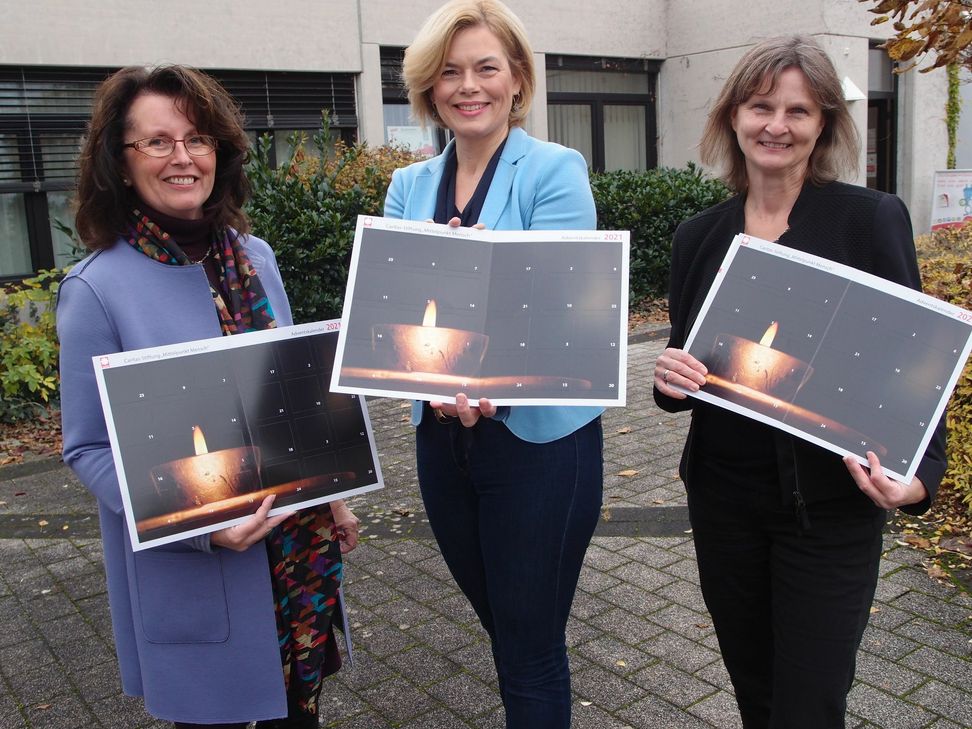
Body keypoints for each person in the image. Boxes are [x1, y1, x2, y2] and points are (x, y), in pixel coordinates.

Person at [652, 36, 947, 729]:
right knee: (755, 691)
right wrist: (669, 380)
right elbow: (683, 363)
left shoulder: (868, 220)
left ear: (823, 126)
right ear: (733, 117)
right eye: (760, 107)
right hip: (725, 507)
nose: (775, 126)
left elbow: (919, 362)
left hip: (830, 511)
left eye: (798, 111)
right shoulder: (699, 236)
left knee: (810, 705)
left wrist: (920, 475)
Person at [57, 65, 360, 729]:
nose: (183, 157)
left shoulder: (257, 257)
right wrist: (201, 525)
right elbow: (85, 447)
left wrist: (330, 489)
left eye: (198, 139)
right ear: (119, 159)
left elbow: (290, 397)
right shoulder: (96, 289)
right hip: (199, 568)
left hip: (296, 558)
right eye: (158, 141)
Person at [383, 2, 603, 726]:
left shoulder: (553, 171)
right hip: (442, 442)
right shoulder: (407, 188)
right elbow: (396, 316)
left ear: (517, 79)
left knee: (531, 643)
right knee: (507, 628)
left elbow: (563, 309)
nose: (467, 85)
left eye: (485, 67)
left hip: (537, 442)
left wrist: (485, 275)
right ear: (427, 86)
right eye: (448, 71)